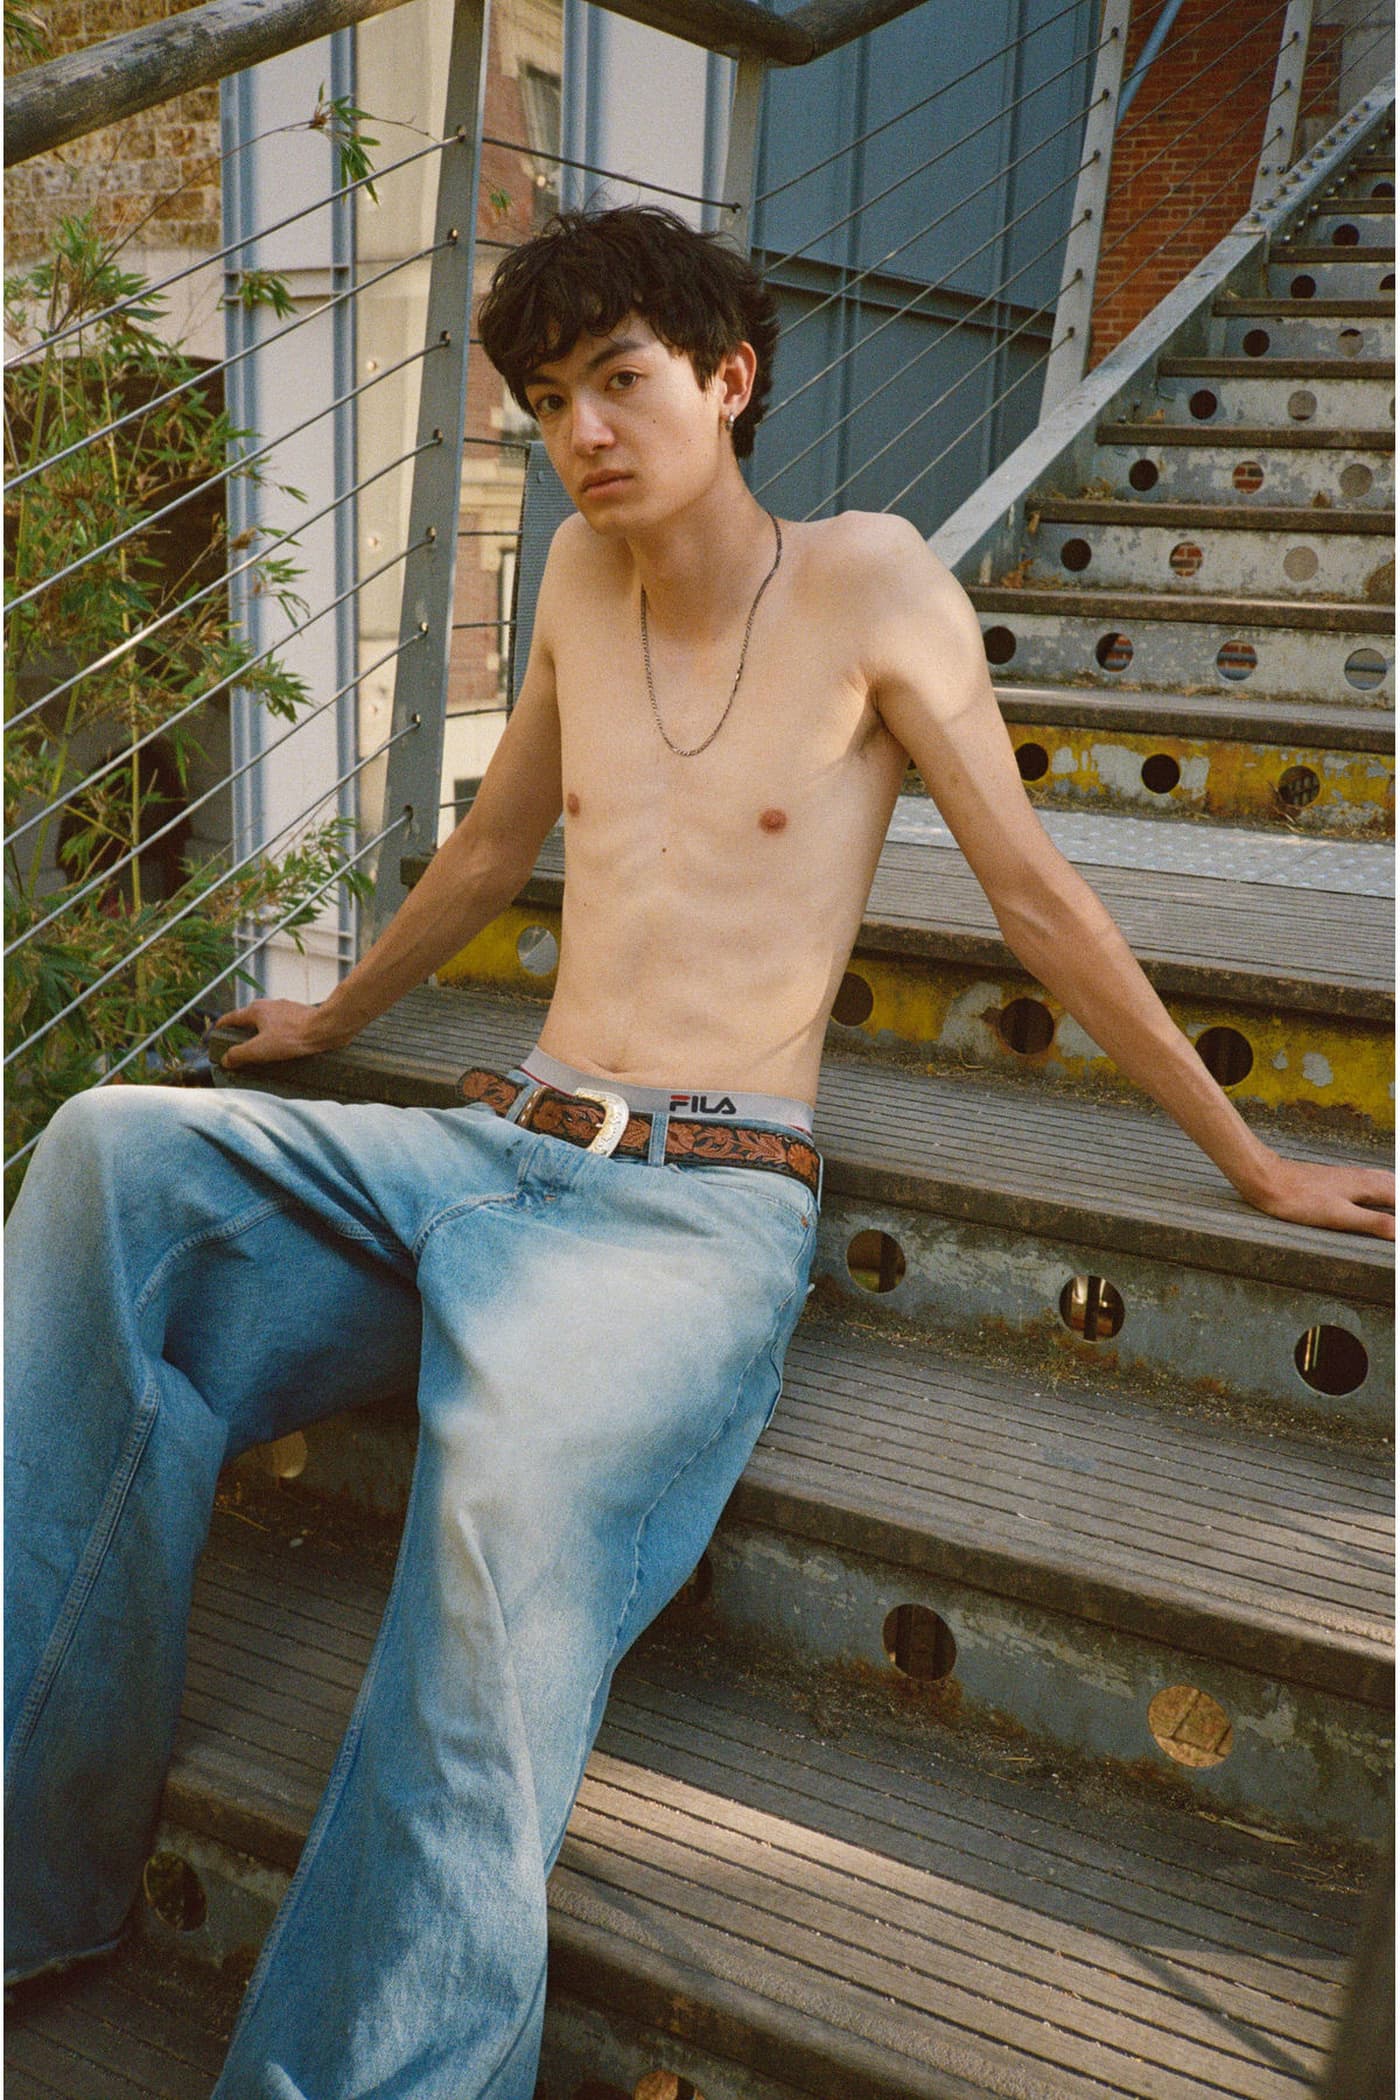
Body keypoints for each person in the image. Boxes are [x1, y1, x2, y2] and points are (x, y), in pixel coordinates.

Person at [5, 205, 1392, 2100]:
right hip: (496, 1148)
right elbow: (493, 849)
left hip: (691, 1214)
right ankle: (24, 1885)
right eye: (545, 400)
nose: (581, 430)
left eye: (621, 380)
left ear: (729, 381)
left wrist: (1258, 1167)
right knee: (114, 1152)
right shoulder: (577, 578)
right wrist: (331, 1023)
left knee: (494, 1525)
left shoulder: (872, 579)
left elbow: (1035, 899)